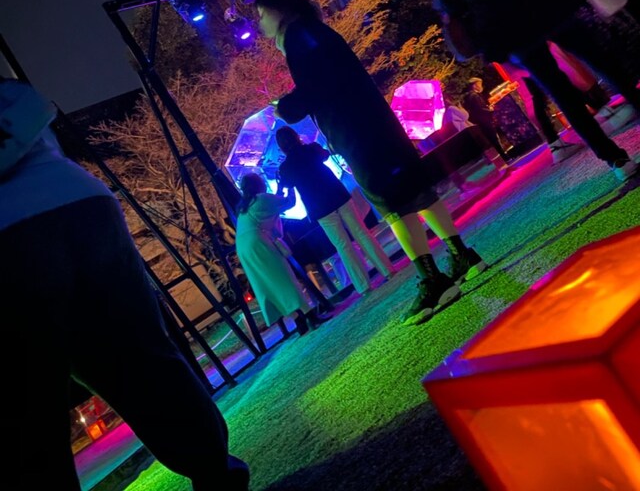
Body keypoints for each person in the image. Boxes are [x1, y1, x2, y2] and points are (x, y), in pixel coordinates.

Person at [0, 78, 249, 491]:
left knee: (28, 399)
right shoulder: (12, 93)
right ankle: (215, 470)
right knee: (141, 353)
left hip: (9, 236)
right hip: (81, 200)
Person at [255, 0, 486, 326]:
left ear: (279, 9)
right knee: (416, 191)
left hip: (358, 134)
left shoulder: (298, 38)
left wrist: (286, 107)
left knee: (392, 204)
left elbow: (317, 87)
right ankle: (462, 254)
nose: (260, 24)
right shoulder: (314, 30)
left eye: (262, 14)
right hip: (377, 123)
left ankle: (433, 279)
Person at [426, 0, 639, 182]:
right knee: (602, 62)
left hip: (510, 29)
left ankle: (616, 160)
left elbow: (451, 5)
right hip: (548, 3)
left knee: (561, 92)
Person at [275, 125, 396, 294]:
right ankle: (387, 269)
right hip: (338, 195)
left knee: (342, 245)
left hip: (319, 207)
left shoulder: (286, 168)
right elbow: (325, 155)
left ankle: (363, 285)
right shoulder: (312, 149)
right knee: (361, 232)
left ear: (281, 146)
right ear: (296, 136)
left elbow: (286, 186)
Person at [235, 171, 330, 335]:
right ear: (259, 184)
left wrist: (280, 188)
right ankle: (311, 316)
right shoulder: (261, 199)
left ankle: (299, 320)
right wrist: (290, 184)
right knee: (285, 278)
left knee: (270, 285)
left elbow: (274, 203)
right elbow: (288, 202)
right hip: (259, 243)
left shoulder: (245, 206)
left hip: (244, 249)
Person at [462, 77, 512, 163]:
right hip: (484, 121)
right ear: (474, 85)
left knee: (493, 140)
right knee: (494, 140)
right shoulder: (474, 96)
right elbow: (480, 109)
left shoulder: (470, 96)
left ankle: (504, 157)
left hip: (482, 121)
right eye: (479, 84)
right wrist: (491, 110)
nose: (481, 86)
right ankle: (505, 158)